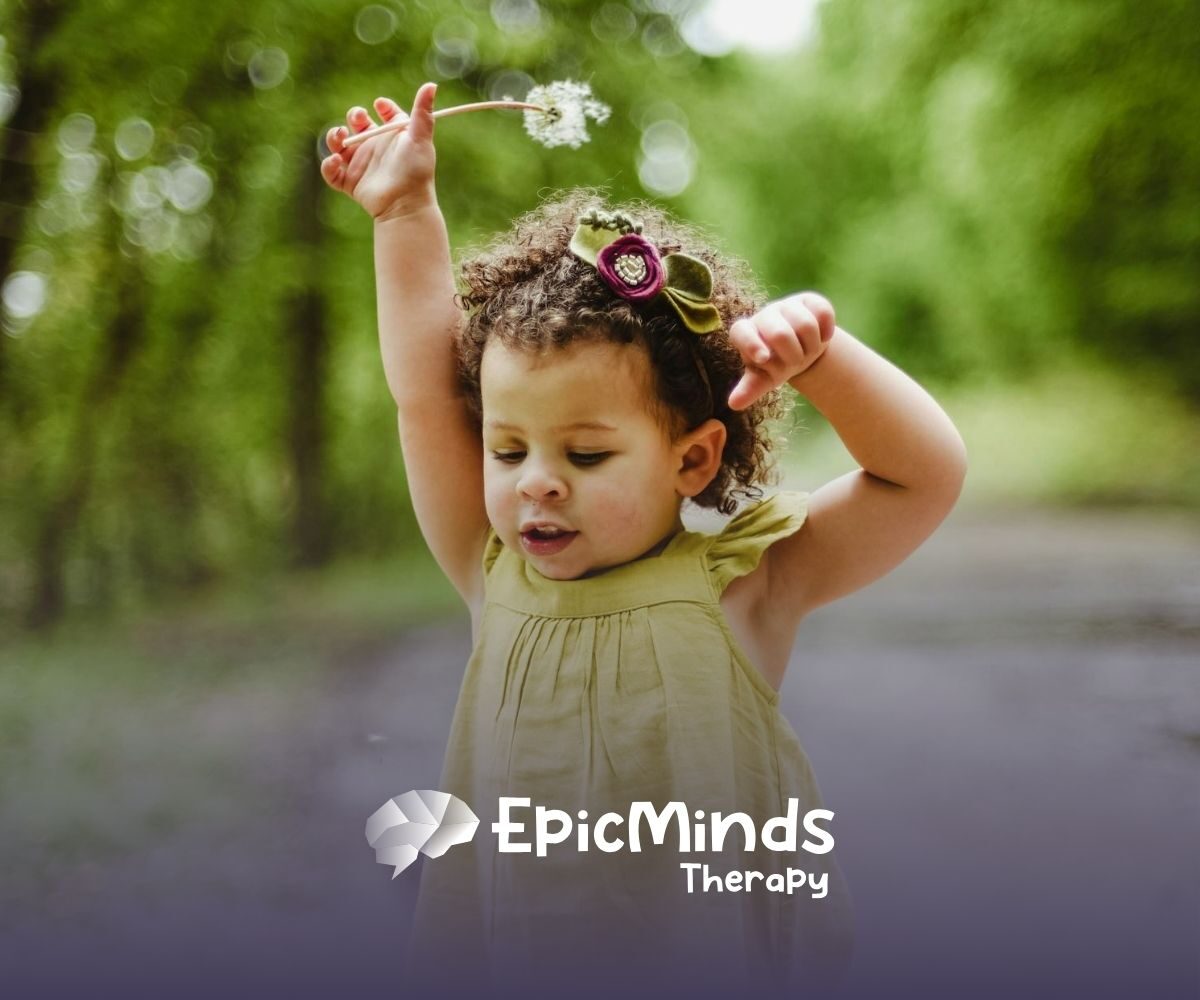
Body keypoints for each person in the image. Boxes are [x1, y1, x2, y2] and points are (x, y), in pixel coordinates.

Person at [321, 82, 968, 998]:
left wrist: (823, 360)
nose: (536, 479)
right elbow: (427, 392)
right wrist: (404, 212)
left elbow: (923, 476)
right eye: (507, 448)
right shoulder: (492, 568)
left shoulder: (746, 586)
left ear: (694, 459)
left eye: (585, 454)